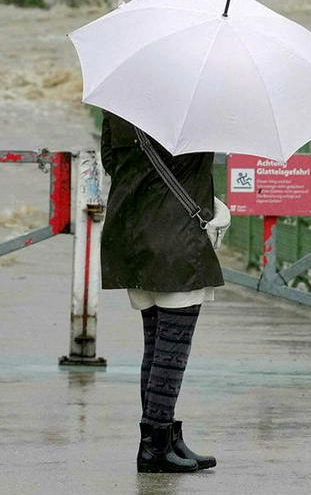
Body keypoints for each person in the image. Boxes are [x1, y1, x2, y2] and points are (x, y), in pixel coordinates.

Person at [98, 109, 224, 473]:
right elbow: (197, 169)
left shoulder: (119, 108)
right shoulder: (196, 110)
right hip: (176, 241)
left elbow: (111, 163)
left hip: (134, 238)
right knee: (171, 354)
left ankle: (163, 438)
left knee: (155, 349)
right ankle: (154, 449)